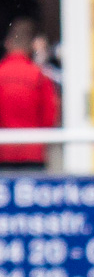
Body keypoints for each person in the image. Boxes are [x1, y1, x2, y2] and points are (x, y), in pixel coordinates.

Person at [0, 19, 57, 169]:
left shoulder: (1, 74)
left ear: (7, 43)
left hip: (3, 153)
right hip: (33, 154)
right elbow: (49, 119)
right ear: (31, 46)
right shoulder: (39, 77)